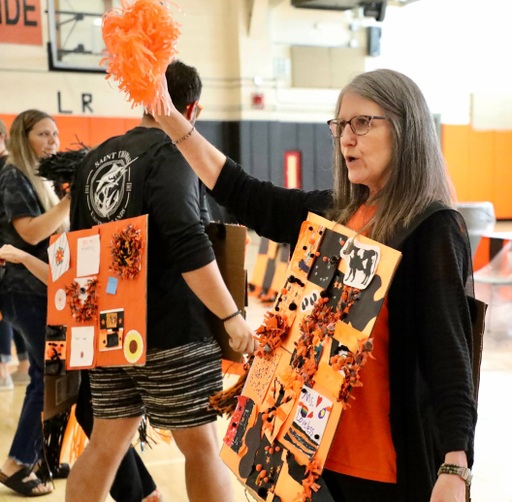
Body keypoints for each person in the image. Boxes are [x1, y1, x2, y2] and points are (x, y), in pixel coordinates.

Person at [154, 68, 477, 502]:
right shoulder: (334, 214)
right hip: (309, 462)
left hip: (386, 468)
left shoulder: (431, 226)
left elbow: (450, 357)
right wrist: (173, 121)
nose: (346, 138)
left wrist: (455, 464)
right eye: (340, 125)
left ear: (406, 129)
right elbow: (244, 192)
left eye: (362, 122)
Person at [65, 60, 258, 502]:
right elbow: (187, 239)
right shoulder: (175, 152)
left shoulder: (94, 160)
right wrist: (230, 315)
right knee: (203, 448)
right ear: (192, 109)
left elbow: (77, 248)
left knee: (106, 446)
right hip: (172, 332)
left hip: (110, 333)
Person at [0, 243, 162, 501]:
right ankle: (144, 492)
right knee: (93, 412)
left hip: (115, 318)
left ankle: (142, 493)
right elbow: (68, 276)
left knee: (100, 415)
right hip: (91, 316)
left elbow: (76, 277)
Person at [0, 110, 71, 496]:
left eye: (56, 134)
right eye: (44, 134)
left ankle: (44, 456)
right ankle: (16, 464)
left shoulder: (39, 179)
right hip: (22, 288)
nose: (53, 140)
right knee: (46, 375)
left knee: (58, 374)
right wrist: (66, 203)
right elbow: (28, 234)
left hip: (42, 286)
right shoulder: (14, 175)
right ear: (23, 137)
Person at [0, 118, 30, 391]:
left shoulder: (8, 170)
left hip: (10, 253)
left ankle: (5, 369)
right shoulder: (15, 168)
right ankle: (20, 366)